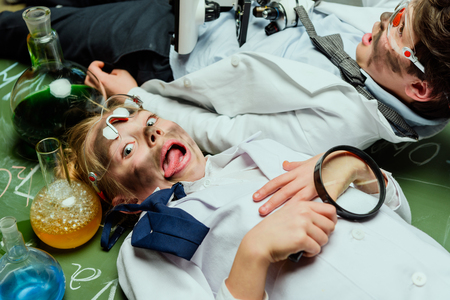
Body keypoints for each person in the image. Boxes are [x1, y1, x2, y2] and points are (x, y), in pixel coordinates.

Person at [65, 98, 450, 299]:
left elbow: (401, 219)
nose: (151, 134)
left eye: (150, 122)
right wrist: (254, 253)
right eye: (126, 151)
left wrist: (358, 169)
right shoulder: (145, 243)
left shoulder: (259, 149)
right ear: (120, 201)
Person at [2, 1, 449, 154]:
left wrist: (136, 95)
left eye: (397, 26)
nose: (384, 20)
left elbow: (223, 132)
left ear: (419, 88)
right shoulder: (402, 48)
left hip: (168, 48)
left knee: (39, 27)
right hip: (212, 12)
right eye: (399, 11)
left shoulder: (339, 123)